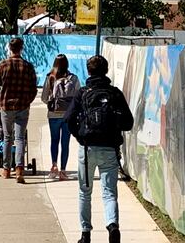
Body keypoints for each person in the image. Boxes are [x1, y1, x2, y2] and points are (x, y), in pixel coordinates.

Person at [65, 55, 134, 243]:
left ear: (88, 71)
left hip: (87, 149)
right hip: (109, 148)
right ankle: (113, 226)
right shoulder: (115, 93)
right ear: (106, 70)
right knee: (109, 192)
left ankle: (85, 233)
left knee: (84, 191)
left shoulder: (83, 92)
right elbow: (128, 122)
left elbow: (69, 119)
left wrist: (79, 136)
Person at [0, 37, 37, 183]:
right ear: (21, 48)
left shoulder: (3, 65)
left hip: (6, 106)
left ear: (10, 49)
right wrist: (27, 100)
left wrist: (0, 100)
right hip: (22, 106)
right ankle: (19, 169)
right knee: (20, 138)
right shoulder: (28, 66)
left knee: (7, 137)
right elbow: (33, 89)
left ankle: (6, 169)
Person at [40, 54, 80, 181]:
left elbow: (44, 98)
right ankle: (63, 171)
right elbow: (78, 97)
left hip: (54, 115)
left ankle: (54, 166)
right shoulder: (73, 78)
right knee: (65, 142)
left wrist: (52, 104)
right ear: (67, 64)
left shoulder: (50, 77)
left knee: (54, 140)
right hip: (68, 115)